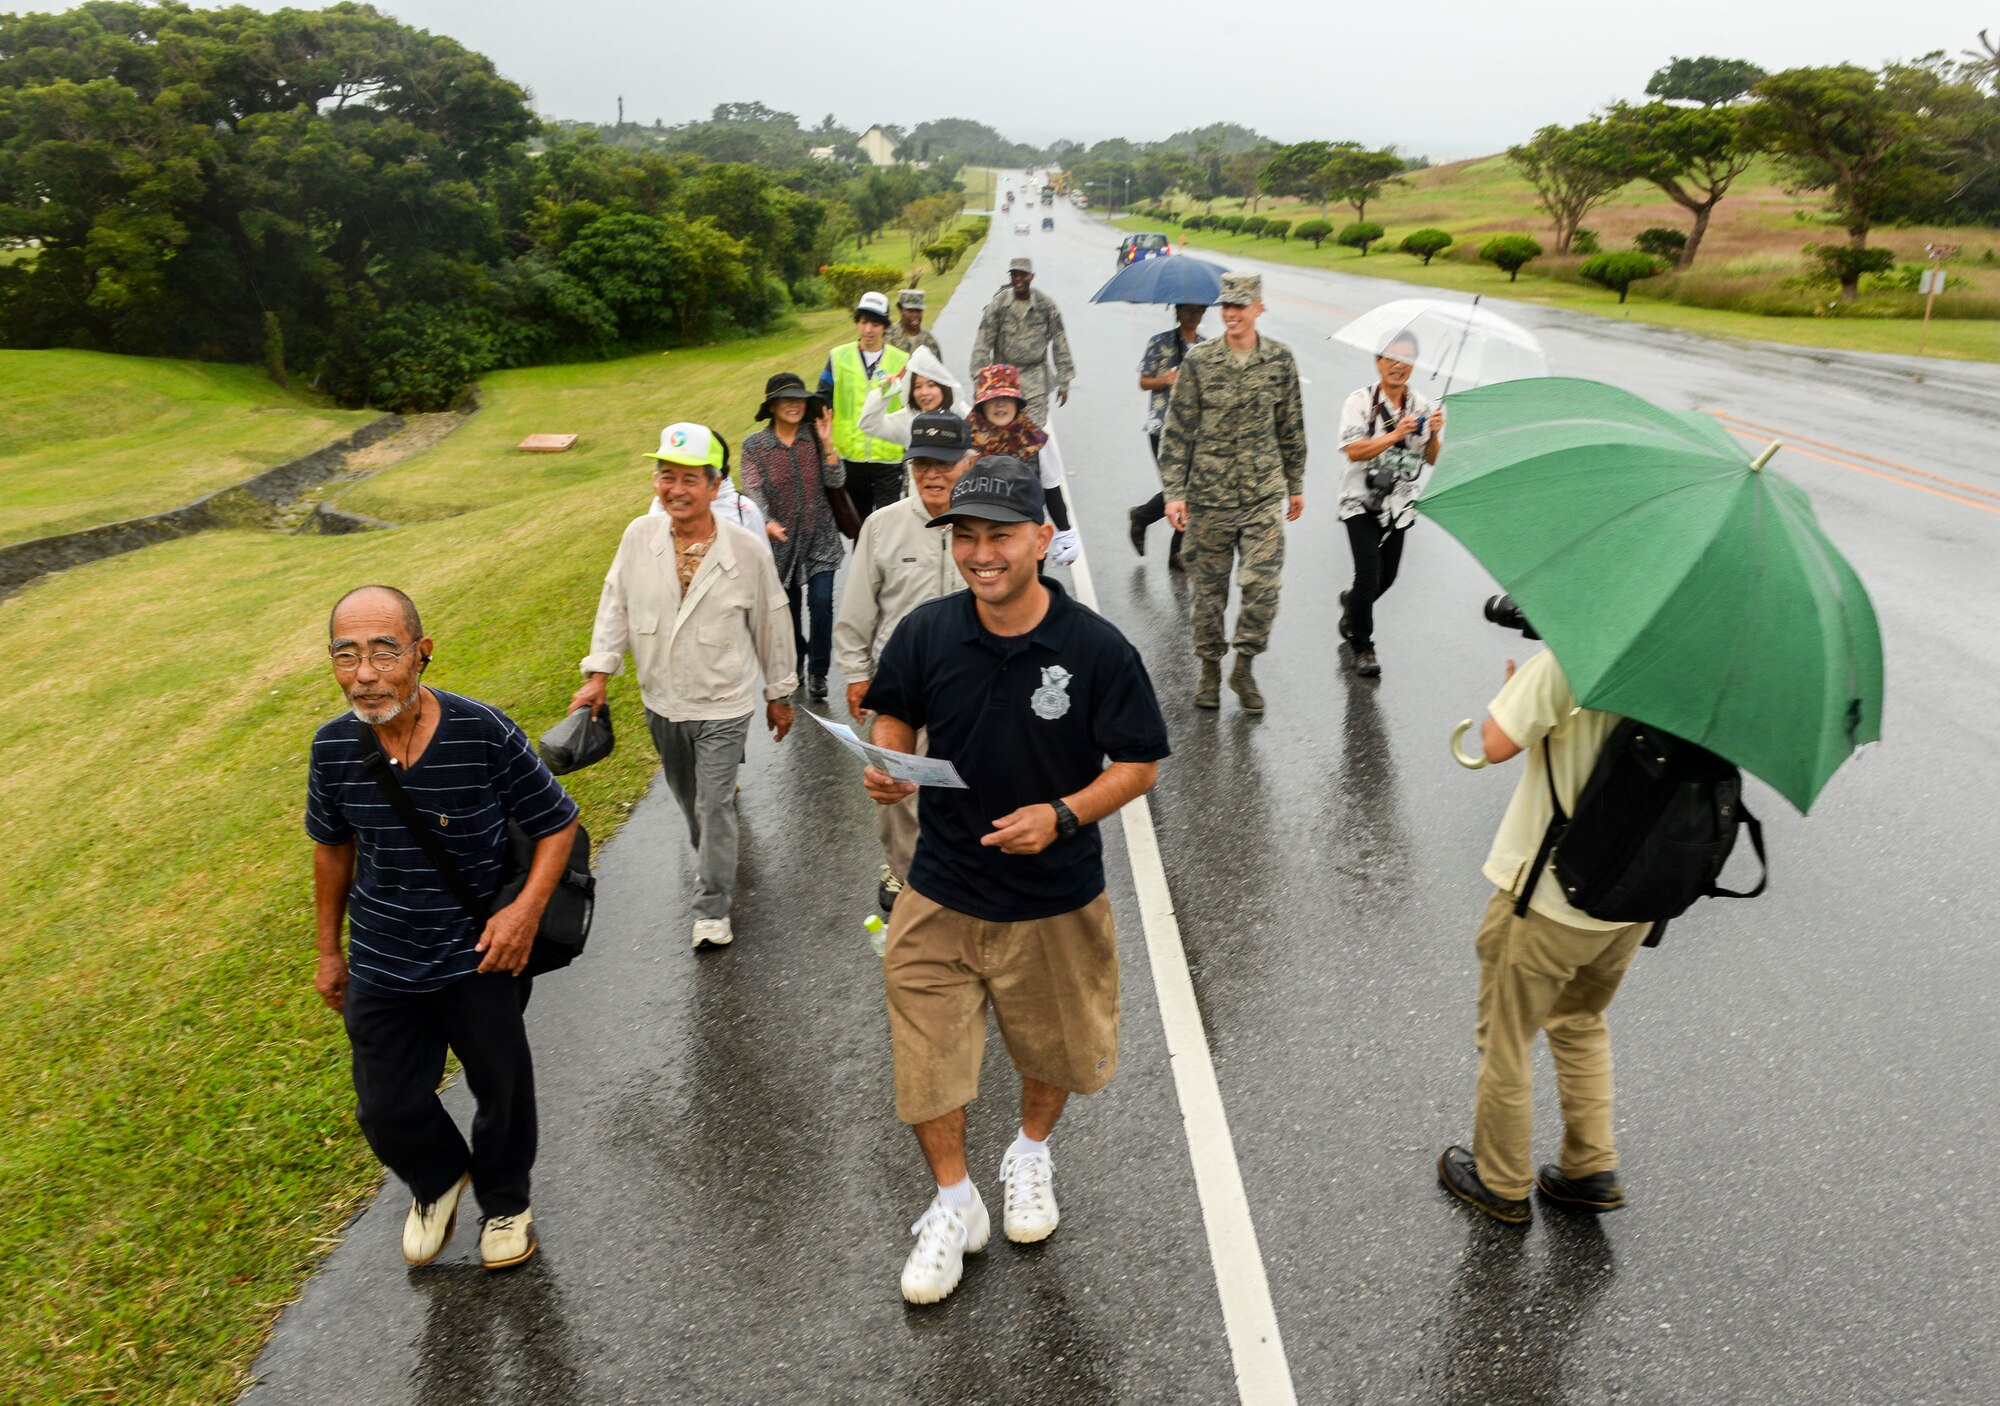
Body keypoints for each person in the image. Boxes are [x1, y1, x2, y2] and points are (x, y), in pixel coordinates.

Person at [859, 454, 1169, 1306]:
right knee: (925, 1061)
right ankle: (954, 1203)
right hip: (940, 890)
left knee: (1056, 1053)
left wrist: (1063, 814)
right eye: (965, 537)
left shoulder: (1097, 649)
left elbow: (1139, 761)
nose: (980, 554)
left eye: (999, 536)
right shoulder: (928, 631)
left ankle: (1029, 1153)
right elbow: (894, 708)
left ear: (1042, 538)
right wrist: (889, 761)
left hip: (1055, 899)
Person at [308, 585, 581, 1272]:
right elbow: (332, 848)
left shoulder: (481, 730)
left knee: (502, 1091)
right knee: (385, 1106)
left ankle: (506, 1204)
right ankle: (436, 1180)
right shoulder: (333, 747)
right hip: (381, 955)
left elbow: (558, 823)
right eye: (347, 656)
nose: (364, 674)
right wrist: (327, 952)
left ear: (422, 653)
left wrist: (520, 914)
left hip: (478, 953)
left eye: (383, 652)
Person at [1438, 649, 1652, 1226]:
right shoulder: (1702, 674)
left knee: (1507, 1036)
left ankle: (1500, 1181)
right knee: (1581, 1019)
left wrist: (1514, 695)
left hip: (1550, 895)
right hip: (1633, 901)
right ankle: (1590, 1167)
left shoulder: (1574, 658)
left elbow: (1496, 743)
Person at [573, 422, 797, 951]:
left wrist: (779, 693)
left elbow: (771, 619)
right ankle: (713, 858)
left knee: (715, 803)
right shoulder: (638, 537)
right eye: (666, 476)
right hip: (662, 701)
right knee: (690, 798)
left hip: (724, 702)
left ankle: (712, 906)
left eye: (689, 478)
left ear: (715, 486)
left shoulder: (744, 549)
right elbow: (615, 605)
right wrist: (598, 673)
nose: (675, 488)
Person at [833, 410, 976, 914]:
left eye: (944, 463)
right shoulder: (882, 526)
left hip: (972, 686)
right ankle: (902, 873)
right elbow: (855, 611)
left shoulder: (983, 526)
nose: (932, 474)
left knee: (965, 785)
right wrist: (855, 674)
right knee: (896, 787)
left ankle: (958, 873)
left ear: (969, 461)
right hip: (901, 690)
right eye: (921, 463)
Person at [1158, 272, 1307, 714]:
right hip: (1208, 498)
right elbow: (1177, 431)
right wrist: (1174, 492)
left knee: (1263, 588)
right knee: (1208, 595)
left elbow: (1291, 428)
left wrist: (1295, 485)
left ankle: (1243, 665)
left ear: (1259, 308)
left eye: (1241, 306)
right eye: (1226, 305)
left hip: (1262, 495)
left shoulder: (1280, 360)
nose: (1232, 313)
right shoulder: (1200, 362)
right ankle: (1209, 669)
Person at [1337, 331, 1444, 679]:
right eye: (1392, 358)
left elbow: (1430, 460)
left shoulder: (1423, 407)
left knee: (1388, 577)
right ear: (1378, 361)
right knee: (1368, 576)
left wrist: (1435, 434)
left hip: (1400, 505)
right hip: (1360, 501)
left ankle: (1353, 606)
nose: (1399, 365)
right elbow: (1354, 450)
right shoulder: (1360, 401)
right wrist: (1396, 435)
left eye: (1406, 359)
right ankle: (1362, 646)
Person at [738, 373, 847, 703]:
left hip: (820, 537)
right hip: (781, 543)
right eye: (786, 399)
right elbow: (753, 488)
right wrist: (767, 521)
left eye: (799, 399)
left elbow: (837, 480)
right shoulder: (754, 446)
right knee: (788, 612)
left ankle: (818, 672)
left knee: (822, 603)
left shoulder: (813, 435)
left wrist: (828, 444)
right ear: (772, 406)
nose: (794, 405)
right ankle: (796, 662)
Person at [967, 363, 1079, 566]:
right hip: (980, 544)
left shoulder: (1035, 440)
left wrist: (1065, 532)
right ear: (981, 405)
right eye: (993, 399)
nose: (1000, 405)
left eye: (1006, 398)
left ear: (1018, 402)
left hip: (1027, 541)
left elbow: (1052, 490)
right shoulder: (967, 442)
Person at [1126, 302, 1208, 572]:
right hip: (1162, 427)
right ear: (1177, 311)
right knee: (1178, 489)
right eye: (1189, 310)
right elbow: (1143, 381)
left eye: (1199, 310)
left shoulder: (1207, 348)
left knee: (1192, 490)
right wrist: (1167, 379)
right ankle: (1142, 517)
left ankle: (1176, 551)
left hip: (1195, 429)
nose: (1194, 315)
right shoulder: (1159, 342)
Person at [818, 290, 911, 519]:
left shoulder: (901, 360)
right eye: (863, 322)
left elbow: (910, 407)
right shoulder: (838, 357)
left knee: (887, 526)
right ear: (857, 323)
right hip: (851, 459)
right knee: (860, 526)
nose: (868, 329)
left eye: (875, 323)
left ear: (884, 327)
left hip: (888, 457)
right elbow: (822, 399)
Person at [969, 257, 1075, 428]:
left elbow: (1060, 342)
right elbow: (982, 344)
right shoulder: (999, 304)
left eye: (1023, 275)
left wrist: (1064, 382)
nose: (1018, 279)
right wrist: (979, 382)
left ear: (1031, 277)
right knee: (1003, 434)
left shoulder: (1045, 305)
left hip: (1035, 382)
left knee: (1033, 435)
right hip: (1002, 382)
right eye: (1014, 275)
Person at [859, 345, 962, 447]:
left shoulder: (961, 413)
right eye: (917, 387)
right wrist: (886, 390)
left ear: (944, 387)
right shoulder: (907, 419)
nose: (924, 392)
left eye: (931, 385)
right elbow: (869, 425)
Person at [887, 288, 943, 361]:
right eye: (910, 311)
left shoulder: (930, 340)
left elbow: (937, 369)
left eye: (918, 311)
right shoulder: (888, 336)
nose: (915, 315)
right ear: (901, 310)